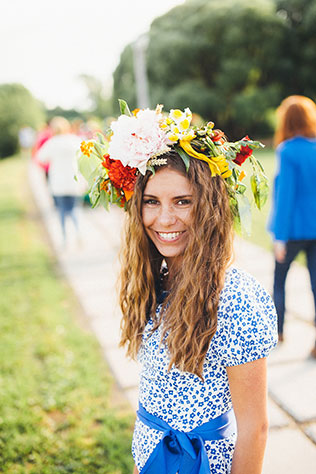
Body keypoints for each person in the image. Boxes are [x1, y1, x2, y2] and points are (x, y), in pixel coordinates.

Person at [78, 103, 278, 473]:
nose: (164, 219)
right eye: (151, 202)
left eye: (182, 202)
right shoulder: (159, 277)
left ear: (209, 206)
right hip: (151, 457)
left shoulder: (235, 298)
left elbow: (256, 428)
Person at [268, 95, 316, 354]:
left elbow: (284, 196)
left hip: (294, 229)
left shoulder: (286, 151)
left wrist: (279, 237)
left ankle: (278, 331)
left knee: (279, 280)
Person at [36, 116, 82, 245]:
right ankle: (78, 234)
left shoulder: (52, 143)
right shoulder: (74, 140)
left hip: (58, 182)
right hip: (73, 181)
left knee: (61, 210)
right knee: (74, 209)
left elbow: (40, 157)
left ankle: (64, 239)